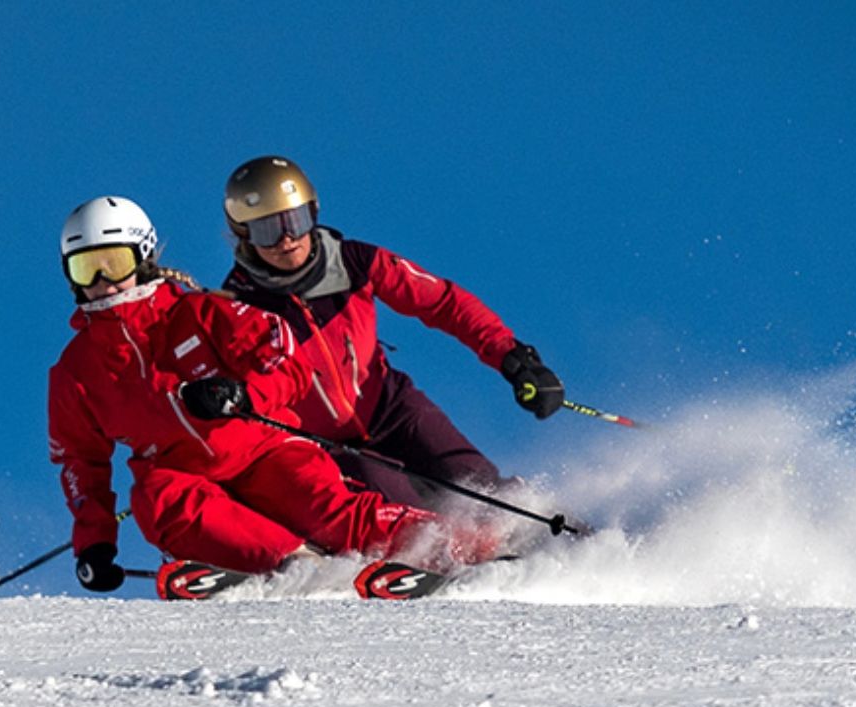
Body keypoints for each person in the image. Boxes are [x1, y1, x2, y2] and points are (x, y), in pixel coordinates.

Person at [47, 196, 445, 593]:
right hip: (184, 478)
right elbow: (79, 461)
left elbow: (285, 356)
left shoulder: (198, 313)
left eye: (115, 263)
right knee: (156, 499)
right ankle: (300, 567)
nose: (102, 281)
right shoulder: (77, 369)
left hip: (262, 450)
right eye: (86, 268)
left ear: (143, 256)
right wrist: (95, 544)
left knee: (329, 513)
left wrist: (244, 395)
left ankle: (453, 544)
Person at [220, 156, 565, 509]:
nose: (286, 239)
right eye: (267, 230)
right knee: (388, 498)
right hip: (326, 446)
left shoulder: (352, 261)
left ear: (313, 213)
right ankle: (449, 545)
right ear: (244, 235)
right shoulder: (238, 307)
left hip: (391, 407)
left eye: (295, 221)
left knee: (474, 481)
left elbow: (442, 303)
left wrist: (513, 358)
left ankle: (563, 534)